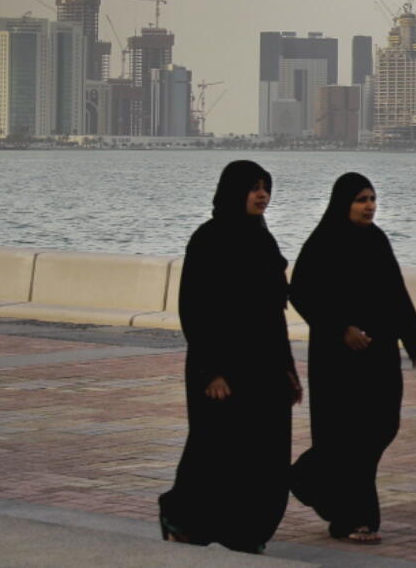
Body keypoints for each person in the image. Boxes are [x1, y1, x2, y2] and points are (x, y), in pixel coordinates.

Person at [159, 160, 302, 553]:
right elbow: (196, 309)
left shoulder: (262, 239)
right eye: (253, 187)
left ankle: (248, 532)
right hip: (220, 367)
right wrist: (212, 372)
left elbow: (274, 313)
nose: (261, 195)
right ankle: (181, 516)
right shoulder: (209, 239)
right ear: (232, 191)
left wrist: (288, 369)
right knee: (215, 450)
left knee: (265, 454)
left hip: (264, 366)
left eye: (266, 187)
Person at [288, 172, 416, 544]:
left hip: (379, 355)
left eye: (372, 199)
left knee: (381, 426)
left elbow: (396, 294)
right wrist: (341, 328)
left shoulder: (377, 240)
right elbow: (301, 292)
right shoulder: (323, 243)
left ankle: (305, 478)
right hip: (338, 360)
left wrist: (415, 344)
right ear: (343, 204)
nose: (369, 206)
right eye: (360, 200)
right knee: (345, 435)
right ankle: (353, 518)